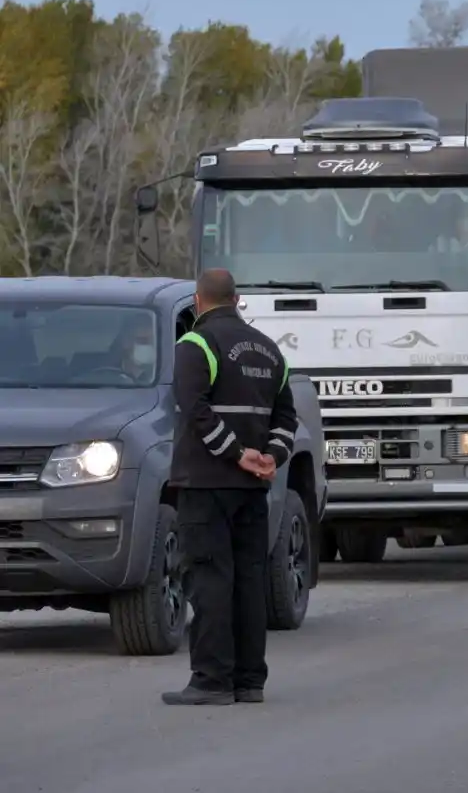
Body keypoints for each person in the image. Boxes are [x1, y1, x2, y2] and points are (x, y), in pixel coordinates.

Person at [162, 269, 299, 706]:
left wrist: (236, 453)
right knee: (248, 579)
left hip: (206, 485)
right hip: (252, 489)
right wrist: (270, 458)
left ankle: (211, 680)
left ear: (199, 302)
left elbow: (195, 411)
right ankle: (249, 680)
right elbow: (286, 419)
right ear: (236, 299)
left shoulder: (195, 345)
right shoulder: (270, 350)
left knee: (209, 579)